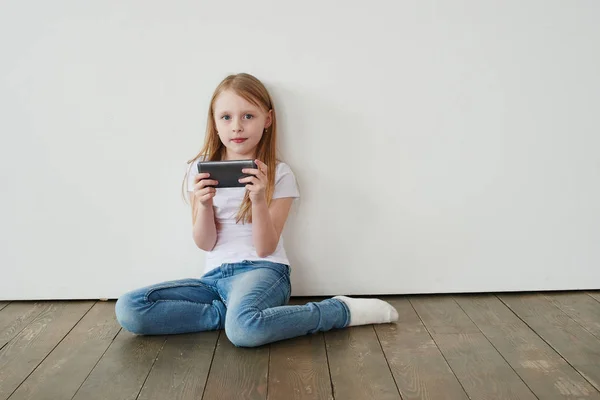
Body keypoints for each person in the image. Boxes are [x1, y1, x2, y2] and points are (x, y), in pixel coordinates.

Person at [115, 73, 398, 347]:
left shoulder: (280, 174)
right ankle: (230, 317)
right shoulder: (198, 172)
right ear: (214, 123)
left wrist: (259, 199)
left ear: (267, 120)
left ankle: (338, 311)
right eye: (226, 117)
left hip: (264, 270)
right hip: (214, 279)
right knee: (130, 308)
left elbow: (265, 248)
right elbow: (205, 243)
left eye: (248, 116)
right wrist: (203, 205)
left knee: (244, 331)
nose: (236, 126)